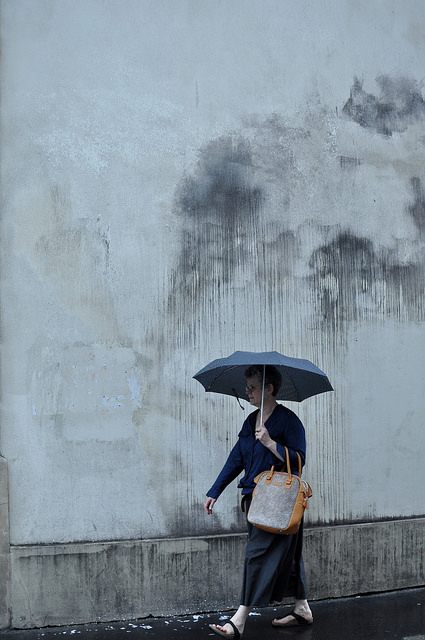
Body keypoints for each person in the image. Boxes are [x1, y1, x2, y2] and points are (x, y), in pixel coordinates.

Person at [204, 365, 313, 638]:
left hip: (279, 503)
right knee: (291, 554)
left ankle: (238, 620)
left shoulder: (289, 421)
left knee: (256, 556)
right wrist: (215, 491)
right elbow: (236, 459)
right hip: (255, 501)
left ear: (269, 388)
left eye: (252, 387)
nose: (247, 391)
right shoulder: (250, 421)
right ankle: (302, 608)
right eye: (247, 387)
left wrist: (270, 443)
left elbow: (299, 461)